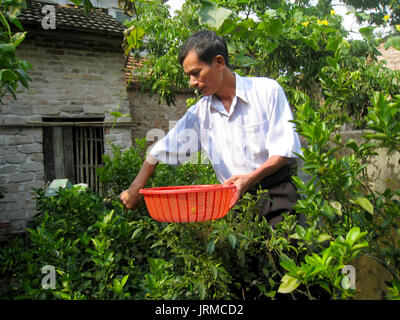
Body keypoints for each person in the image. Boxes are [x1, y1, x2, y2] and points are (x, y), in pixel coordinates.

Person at [120, 30, 302, 227]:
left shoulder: (267, 92)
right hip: (233, 205)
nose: (192, 83)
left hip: (276, 197)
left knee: (287, 255)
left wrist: (249, 178)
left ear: (219, 62)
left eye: (196, 73)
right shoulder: (199, 114)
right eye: (188, 76)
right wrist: (135, 188)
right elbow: (159, 151)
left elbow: (285, 150)